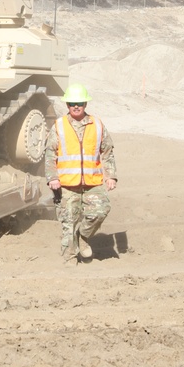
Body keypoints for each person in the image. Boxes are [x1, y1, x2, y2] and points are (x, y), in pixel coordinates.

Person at [44, 83, 119, 265]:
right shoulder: (59, 126)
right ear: (67, 105)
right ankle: (69, 260)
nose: (75, 106)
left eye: (79, 103)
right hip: (67, 184)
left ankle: (83, 236)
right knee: (68, 222)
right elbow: (50, 154)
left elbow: (107, 151)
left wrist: (110, 176)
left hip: (92, 182)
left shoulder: (97, 125)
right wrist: (52, 177)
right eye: (71, 103)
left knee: (101, 211)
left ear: (85, 104)